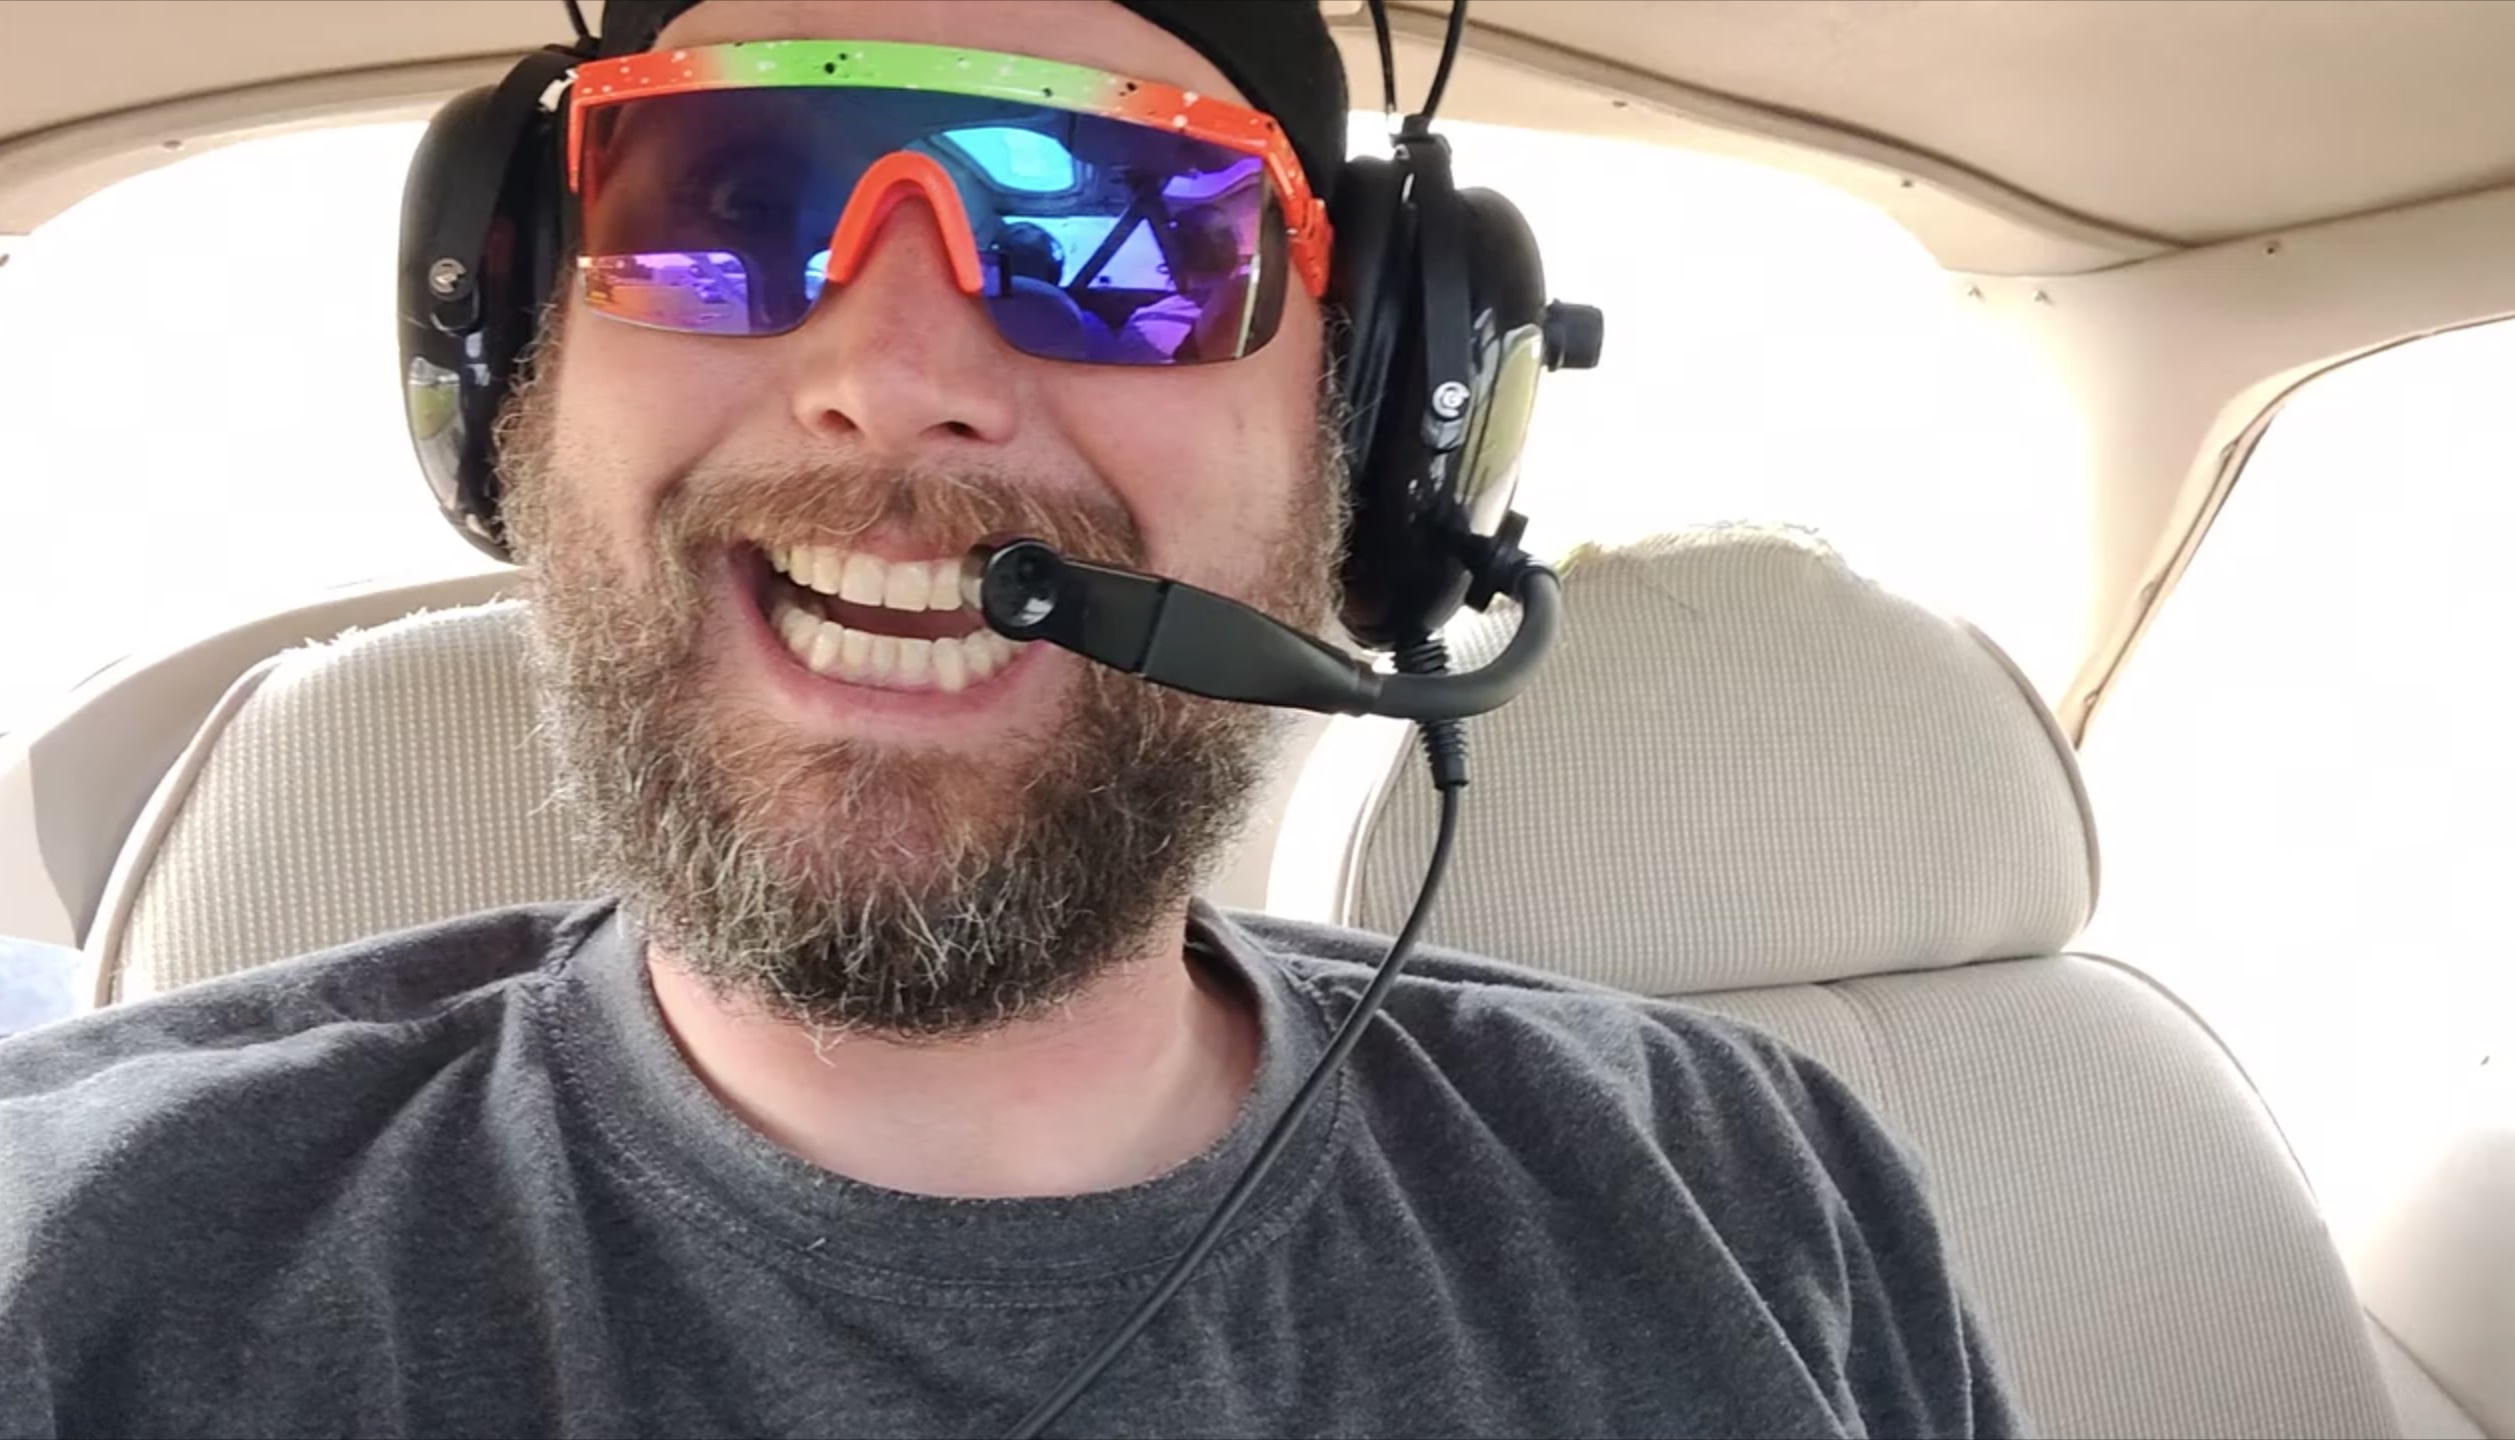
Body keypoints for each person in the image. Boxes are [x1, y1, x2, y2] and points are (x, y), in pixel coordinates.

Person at [0, 3, 2026, 1437]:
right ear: (508, 370)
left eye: (1115, 240)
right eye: (721, 206)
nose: (890, 377)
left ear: (1372, 447)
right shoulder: (73, 1278)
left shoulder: (1754, 1191)